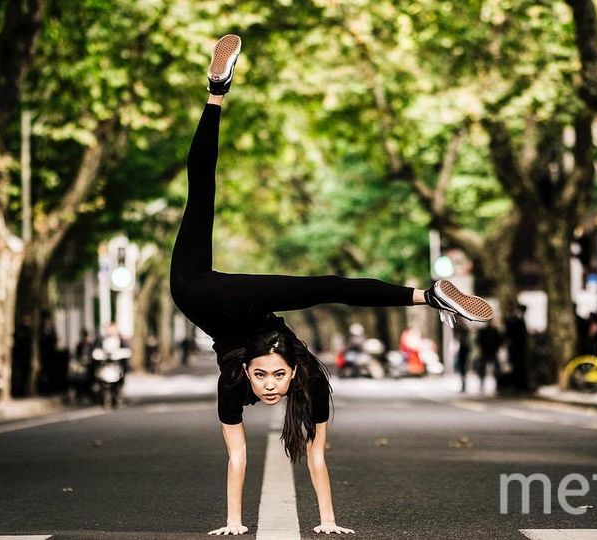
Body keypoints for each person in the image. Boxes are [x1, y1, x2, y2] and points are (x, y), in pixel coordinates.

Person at [169, 34, 494, 537]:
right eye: (268, 378)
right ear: (286, 369)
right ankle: (428, 296)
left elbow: (247, 454)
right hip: (232, 301)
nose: (270, 386)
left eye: (270, 377)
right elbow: (273, 454)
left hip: (196, 295)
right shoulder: (310, 380)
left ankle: (217, 90)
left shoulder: (230, 381)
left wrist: (297, 524)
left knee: (206, 198)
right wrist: (258, 524)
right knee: (324, 284)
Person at [475, 320, 501, 394]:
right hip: (485, 352)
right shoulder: (483, 331)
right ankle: (482, 384)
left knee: (496, 369)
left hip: (492, 352)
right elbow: (479, 341)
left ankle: (497, 385)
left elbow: (498, 340)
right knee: (482, 369)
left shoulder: (495, 330)